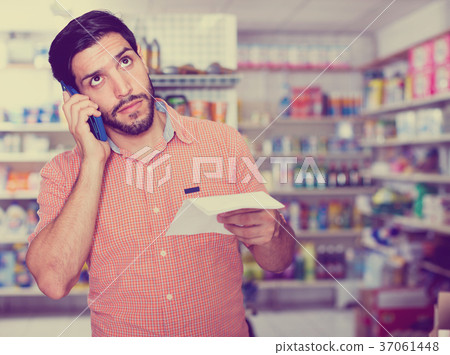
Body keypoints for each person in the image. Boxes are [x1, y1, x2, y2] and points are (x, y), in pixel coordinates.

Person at [25, 10, 296, 337]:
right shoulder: (63, 173)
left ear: (142, 59)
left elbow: (277, 260)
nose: (123, 88)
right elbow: (53, 282)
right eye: (96, 79)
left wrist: (275, 232)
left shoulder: (223, 142)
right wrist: (93, 162)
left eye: (125, 62)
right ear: (75, 99)